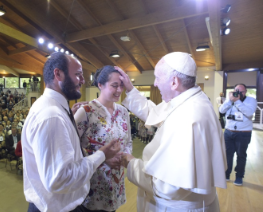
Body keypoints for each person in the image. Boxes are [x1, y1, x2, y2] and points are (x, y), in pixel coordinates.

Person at [118, 52, 227, 212]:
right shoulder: (193, 100)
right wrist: (131, 90)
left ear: (174, 82)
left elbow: (167, 186)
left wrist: (131, 163)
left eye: (158, 78)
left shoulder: (187, 118)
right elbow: (156, 113)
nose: (155, 84)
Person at [21, 52, 120, 212]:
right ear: (58, 74)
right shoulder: (51, 115)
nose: (82, 80)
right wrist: (101, 155)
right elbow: (59, 179)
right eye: (78, 75)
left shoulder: (56, 109)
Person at [74, 65, 132, 211]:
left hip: (115, 183)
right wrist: (102, 158)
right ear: (100, 85)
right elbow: (72, 148)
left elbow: (128, 141)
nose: (119, 90)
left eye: (121, 86)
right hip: (93, 186)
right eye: (114, 86)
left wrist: (124, 157)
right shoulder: (86, 111)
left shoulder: (123, 112)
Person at [219, 84, 257, 186]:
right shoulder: (230, 100)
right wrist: (230, 101)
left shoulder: (251, 100)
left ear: (245, 92)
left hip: (243, 133)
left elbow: (249, 113)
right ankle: (226, 174)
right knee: (227, 155)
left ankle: (239, 176)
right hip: (228, 132)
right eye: (236, 90)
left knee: (241, 155)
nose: (239, 93)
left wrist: (237, 101)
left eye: (241, 91)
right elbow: (221, 110)